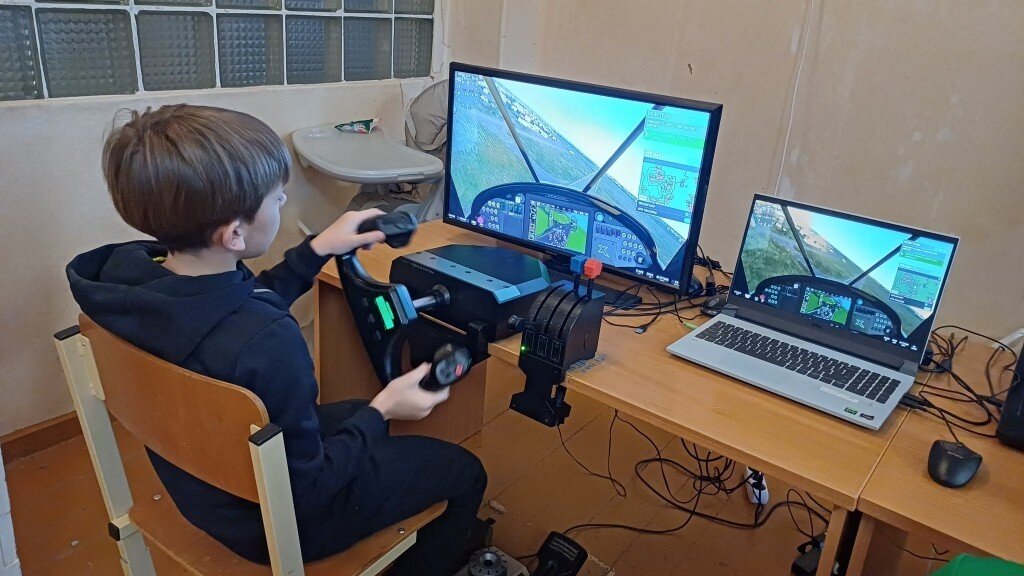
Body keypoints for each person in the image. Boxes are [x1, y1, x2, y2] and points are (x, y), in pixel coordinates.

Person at [66, 104, 486, 575]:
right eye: (275, 197)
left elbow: (237, 308)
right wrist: (384, 409)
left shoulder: (130, 280)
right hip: (276, 524)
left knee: (353, 412)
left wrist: (317, 249)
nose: (284, 200)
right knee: (464, 470)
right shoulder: (268, 343)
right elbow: (309, 491)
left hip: (200, 492)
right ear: (234, 234)